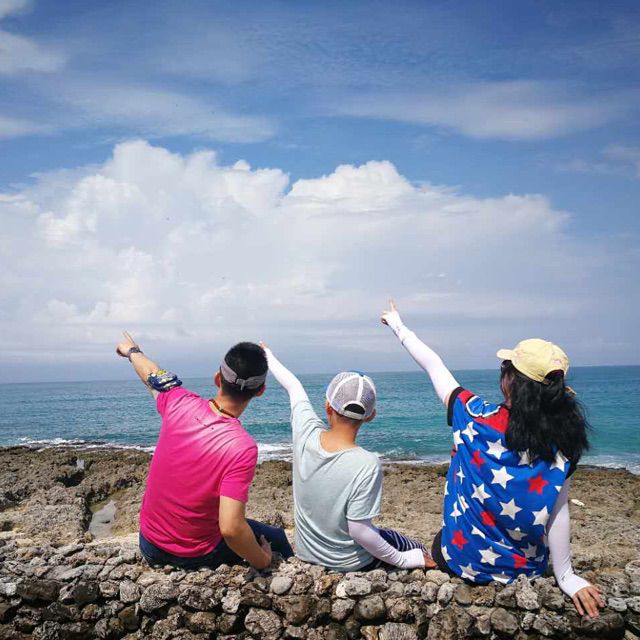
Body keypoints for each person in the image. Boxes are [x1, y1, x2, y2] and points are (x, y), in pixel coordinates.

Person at [381, 300, 605, 619]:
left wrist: (398, 326)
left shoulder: (473, 416)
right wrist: (566, 576)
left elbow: (434, 366)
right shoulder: (563, 443)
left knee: (440, 532)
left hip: (461, 560)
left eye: (505, 368)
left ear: (511, 381)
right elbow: (559, 511)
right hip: (525, 570)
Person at [115, 331, 293, 570]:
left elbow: (151, 374)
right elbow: (231, 529)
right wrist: (263, 560)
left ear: (217, 378)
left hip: (150, 544)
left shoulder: (177, 402)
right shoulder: (241, 447)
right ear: (260, 391)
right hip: (195, 555)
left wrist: (132, 351)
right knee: (276, 538)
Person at [260, 341, 436, 572]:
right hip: (351, 563)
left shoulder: (305, 433)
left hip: (306, 555)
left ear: (327, 406)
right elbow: (360, 531)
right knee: (412, 546)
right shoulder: (367, 463)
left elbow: (293, 386)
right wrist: (405, 560)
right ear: (371, 416)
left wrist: (267, 355)